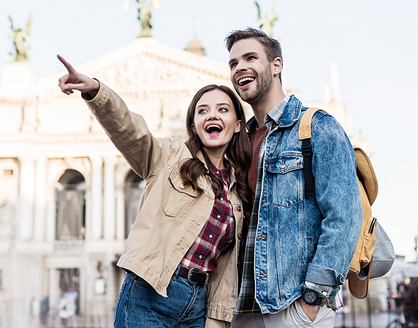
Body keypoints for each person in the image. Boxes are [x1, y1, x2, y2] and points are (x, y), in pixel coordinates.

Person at [57, 54, 253, 328]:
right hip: (149, 294)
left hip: (198, 304)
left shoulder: (239, 188)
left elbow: (228, 266)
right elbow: (129, 130)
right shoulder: (170, 156)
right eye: (202, 110)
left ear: (238, 124)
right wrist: (95, 91)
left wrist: (218, 318)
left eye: (223, 109)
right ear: (194, 124)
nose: (212, 115)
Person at [225, 28, 363, 327]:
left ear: (277, 65)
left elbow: (345, 217)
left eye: (251, 57)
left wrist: (312, 298)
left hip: (291, 304)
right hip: (241, 305)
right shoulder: (241, 141)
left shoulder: (317, 127)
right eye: (233, 63)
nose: (240, 68)